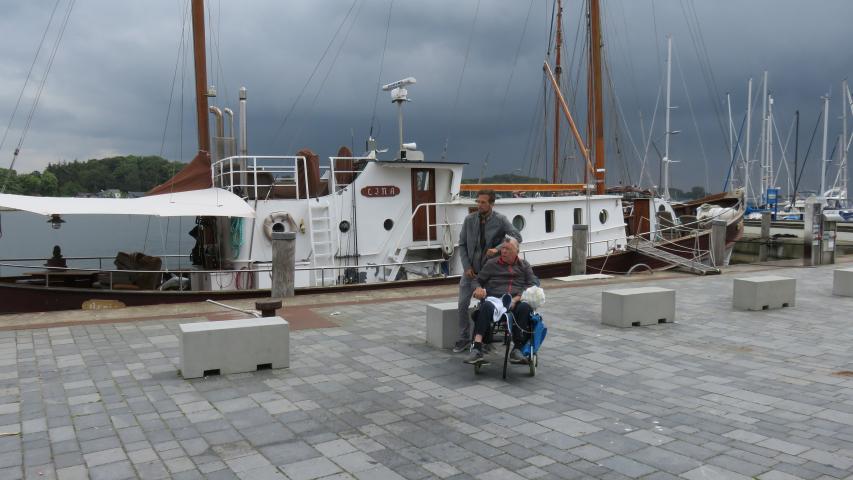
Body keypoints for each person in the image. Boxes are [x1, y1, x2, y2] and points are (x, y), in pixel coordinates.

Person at [453, 189, 521, 353]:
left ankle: (483, 340)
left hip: (490, 273)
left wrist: (498, 249)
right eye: (478, 202)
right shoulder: (469, 219)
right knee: (462, 304)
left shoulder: (500, 220)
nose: (479, 205)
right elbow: (462, 244)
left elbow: (517, 237)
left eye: (483, 202)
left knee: (486, 306)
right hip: (470, 271)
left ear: (491, 204)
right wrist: (466, 267)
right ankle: (464, 338)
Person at [464, 237, 537, 365]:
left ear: (516, 251)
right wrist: (478, 288)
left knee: (525, 307)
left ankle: (517, 349)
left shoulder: (524, 265)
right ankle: (477, 348)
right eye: (502, 248)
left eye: (508, 249)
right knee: (485, 306)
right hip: (495, 300)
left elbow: (531, 285)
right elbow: (477, 280)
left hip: (516, 301)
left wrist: (516, 298)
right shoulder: (492, 264)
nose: (503, 251)